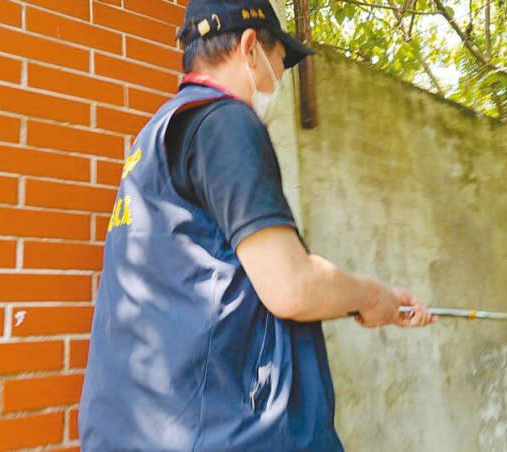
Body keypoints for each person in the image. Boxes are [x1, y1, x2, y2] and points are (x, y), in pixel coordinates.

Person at [78, 0, 435, 450]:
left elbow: (240, 271)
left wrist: (364, 301)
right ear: (250, 48)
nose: (278, 80)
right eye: (280, 65)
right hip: (230, 434)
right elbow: (291, 286)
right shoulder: (226, 122)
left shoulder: (158, 135)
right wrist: (371, 295)